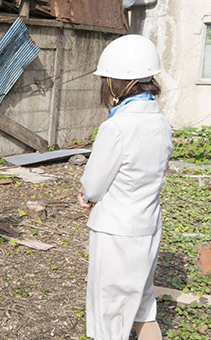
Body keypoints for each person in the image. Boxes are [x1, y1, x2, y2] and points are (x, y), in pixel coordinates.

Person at [77, 34, 173, 340]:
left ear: (118, 82)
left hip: (116, 232)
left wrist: (87, 196)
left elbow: (93, 185)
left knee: (108, 318)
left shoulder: (116, 126)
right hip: (147, 226)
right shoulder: (161, 123)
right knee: (143, 308)